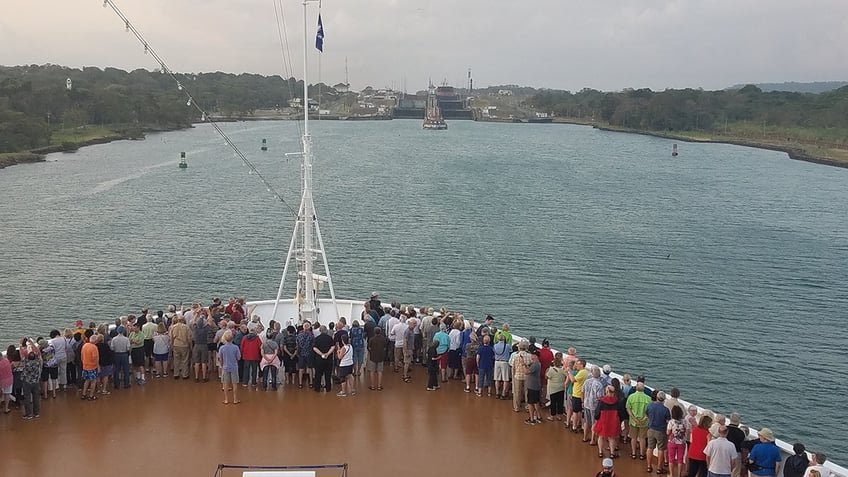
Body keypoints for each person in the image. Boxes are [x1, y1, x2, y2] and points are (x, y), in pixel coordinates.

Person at [646, 391, 672, 474]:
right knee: (661, 449)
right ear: (664, 399)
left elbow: (647, 415)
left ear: (657, 397)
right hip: (661, 431)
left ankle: (649, 466)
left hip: (650, 429)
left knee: (650, 448)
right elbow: (668, 421)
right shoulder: (665, 410)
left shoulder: (650, 405)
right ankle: (659, 468)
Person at [594, 385, 621, 458]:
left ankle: (600, 452)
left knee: (601, 437)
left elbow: (597, 412)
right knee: (612, 438)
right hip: (613, 421)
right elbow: (620, 412)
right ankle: (612, 453)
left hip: (603, 420)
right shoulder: (617, 401)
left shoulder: (602, 401)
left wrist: (596, 418)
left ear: (606, 391)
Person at [627, 381, 651, 460]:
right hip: (644, 422)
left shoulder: (631, 397)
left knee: (633, 438)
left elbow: (628, 409)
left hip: (633, 421)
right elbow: (649, 411)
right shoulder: (648, 398)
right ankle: (642, 454)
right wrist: (643, 419)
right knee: (642, 438)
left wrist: (634, 419)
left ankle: (633, 453)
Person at [218, 330, 241, 405]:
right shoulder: (236, 347)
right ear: (233, 338)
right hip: (234, 367)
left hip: (225, 367)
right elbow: (239, 357)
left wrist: (221, 365)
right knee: (234, 384)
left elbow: (220, 358)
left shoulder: (222, 348)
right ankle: (235, 399)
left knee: (225, 384)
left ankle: (226, 399)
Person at [21, 342, 42, 419]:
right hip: (36, 382)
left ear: (28, 357)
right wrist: (32, 343)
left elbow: (22, 355)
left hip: (27, 382)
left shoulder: (26, 363)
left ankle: (28, 414)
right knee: (36, 397)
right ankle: (36, 413)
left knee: (27, 398)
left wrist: (20, 345)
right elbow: (37, 352)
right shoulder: (37, 362)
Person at [312, 326, 335, 393]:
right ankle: (328, 388)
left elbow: (314, 348)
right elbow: (333, 347)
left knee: (318, 374)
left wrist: (322, 354)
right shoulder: (330, 338)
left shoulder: (317, 339)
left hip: (319, 360)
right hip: (328, 359)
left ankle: (317, 388)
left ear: (320, 331)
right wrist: (327, 354)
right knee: (328, 374)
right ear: (326, 330)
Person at [667, 404, 688, 477]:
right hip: (681, 442)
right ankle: (679, 475)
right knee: (680, 459)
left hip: (672, 441)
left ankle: (671, 474)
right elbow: (686, 431)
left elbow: (668, 432)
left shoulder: (671, 422)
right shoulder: (684, 421)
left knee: (671, 459)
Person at [80, 331, 100, 401]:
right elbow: (95, 358)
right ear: (95, 341)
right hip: (92, 367)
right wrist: (97, 366)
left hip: (85, 366)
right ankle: (91, 395)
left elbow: (82, 357)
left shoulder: (84, 345)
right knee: (93, 381)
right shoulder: (94, 347)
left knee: (86, 380)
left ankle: (84, 394)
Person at [524, 352, 542, 425]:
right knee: (536, 402)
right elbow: (530, 369)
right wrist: (526, 365)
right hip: (536, 385)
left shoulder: (535, 365)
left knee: (530, 403)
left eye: (532, 355)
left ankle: (532, 418)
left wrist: (523, 365)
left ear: (535, 356)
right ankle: (538, 416)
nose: (531, 356)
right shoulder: (538, 364)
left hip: (532, 386)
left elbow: (526, 372)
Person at [295, 322, 314, 389]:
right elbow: (313, 345)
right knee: (310, 368)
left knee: (301, 369)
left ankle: (300, 383)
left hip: (301, 354)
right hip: (309, 354)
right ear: (309, 328)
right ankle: (311, 383)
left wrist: (297, 353)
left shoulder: (299, 335)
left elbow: (297, 345)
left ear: (303, 327)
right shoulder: (311, 335)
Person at [493, 333, 512, 400]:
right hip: (504, 362)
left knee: (497, 378)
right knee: (505, 379)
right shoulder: (507, 346)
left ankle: (497, 392)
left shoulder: (495, 346)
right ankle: (503, 393)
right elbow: (511, 350)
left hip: (497, 362)